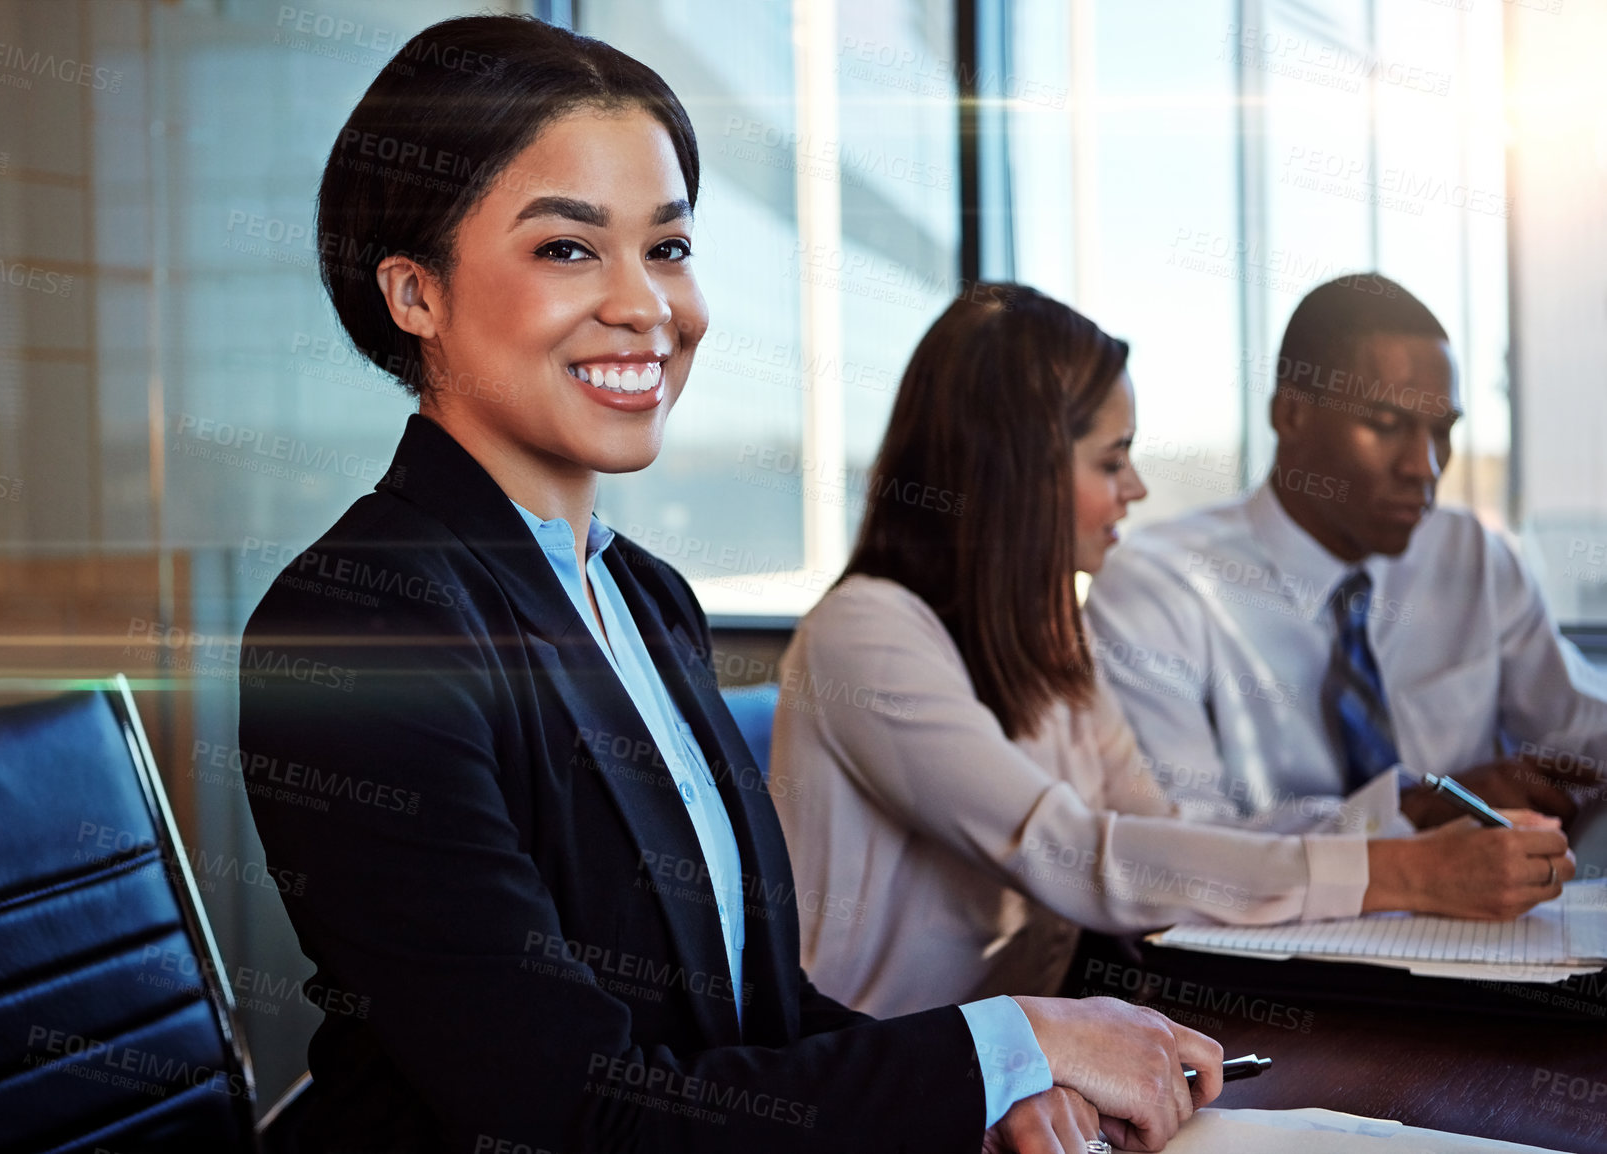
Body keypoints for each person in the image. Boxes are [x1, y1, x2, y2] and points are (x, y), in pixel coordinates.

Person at [238, 17, 1221, 1154]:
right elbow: (570, 1111)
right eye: (567, 248)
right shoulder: (360, 621)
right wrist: (1010, 1040)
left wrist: (991, 1091)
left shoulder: (647, 600)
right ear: (415, 293)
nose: (646, 304)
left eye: (666, 247)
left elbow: (754, 1022)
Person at [770, 284, 1574, 1016]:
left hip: (1013, 1063)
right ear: (1019, 471)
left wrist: (1399, 815)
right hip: (870, 1076)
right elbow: (1075, 854)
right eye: (1112, 460)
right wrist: (1409, 874)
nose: (1138, 489)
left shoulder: (1048, 642)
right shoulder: (867, 638)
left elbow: (1166, 839)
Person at [1086, 273, 1607, 832]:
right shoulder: (1159, 586)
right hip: (1270, 922)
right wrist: (1417, 811)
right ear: (1291, 416)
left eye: (1442, 432)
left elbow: (1580, 731)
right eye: (1387, 425)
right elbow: (1182, 846)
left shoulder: (1472, 557)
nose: (1424, 468)